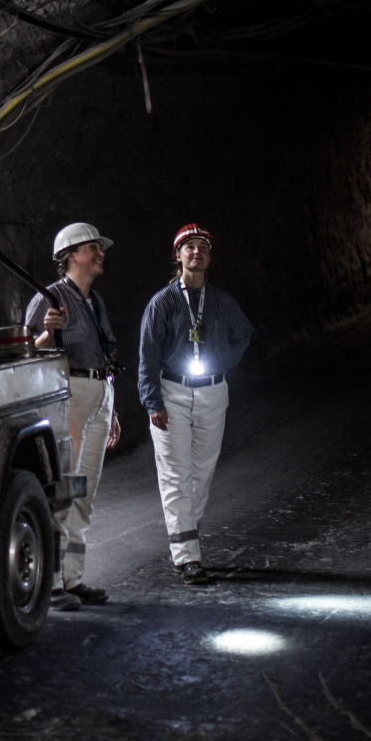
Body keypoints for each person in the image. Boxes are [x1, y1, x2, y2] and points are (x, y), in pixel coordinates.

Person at [138, 224, 253, 585]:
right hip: (172, 391)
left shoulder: (221, 301)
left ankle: (185, 532)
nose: (196, 251)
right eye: (189, 246)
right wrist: (152, 401)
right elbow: (147, 356)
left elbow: (244, 332)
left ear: (209, 257)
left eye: (202, 246)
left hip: (213, 391)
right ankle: (188, 556)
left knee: (201, 472)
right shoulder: (162, 303)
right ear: (178, 255)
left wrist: (225, 361)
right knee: (175, 473)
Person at [22, 222, 121, 609]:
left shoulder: (95, 301)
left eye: (100, 247)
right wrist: (47, 334)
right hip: (70, 392)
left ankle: (74, 578)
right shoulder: (48, 298)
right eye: (92, 247)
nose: (100, 253)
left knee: (86, 490)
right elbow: (25, 350)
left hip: (99, 391)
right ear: (70, 255)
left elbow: (105, 352)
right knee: (65, 488)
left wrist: (112, 405)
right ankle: (52, 584)